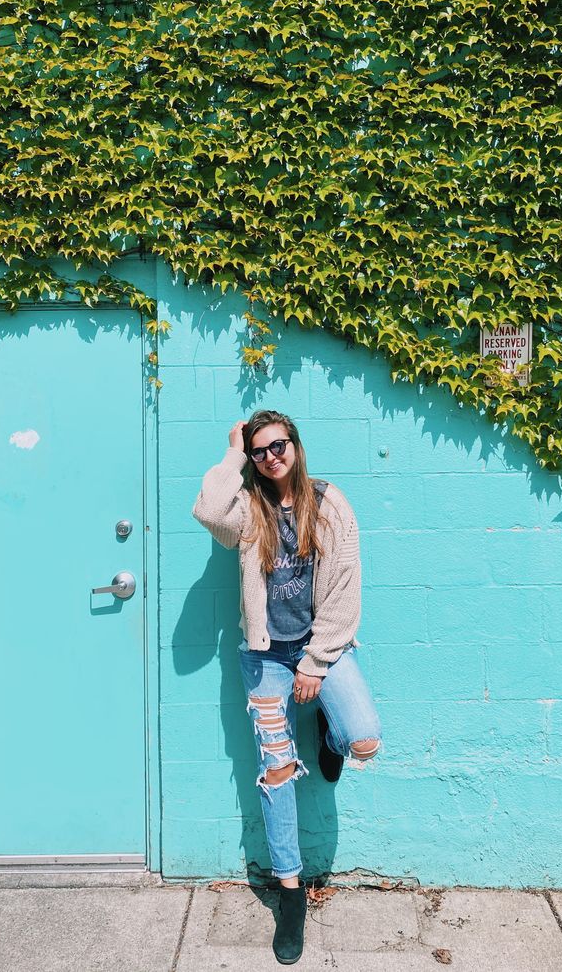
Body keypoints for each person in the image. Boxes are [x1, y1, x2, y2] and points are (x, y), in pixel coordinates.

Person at [192, 409, 381, 965]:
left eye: (279, 445)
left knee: (364, 738)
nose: (271, 456)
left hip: (321, 647)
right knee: (276, 772)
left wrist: (316, 667)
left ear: (295, 444)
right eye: (259, 450)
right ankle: (291, 892)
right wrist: (231, 454)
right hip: (266, 657)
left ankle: (328, 727)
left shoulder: (329, 503)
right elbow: (208, 511)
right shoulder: (248, 507)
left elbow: (346, 592)